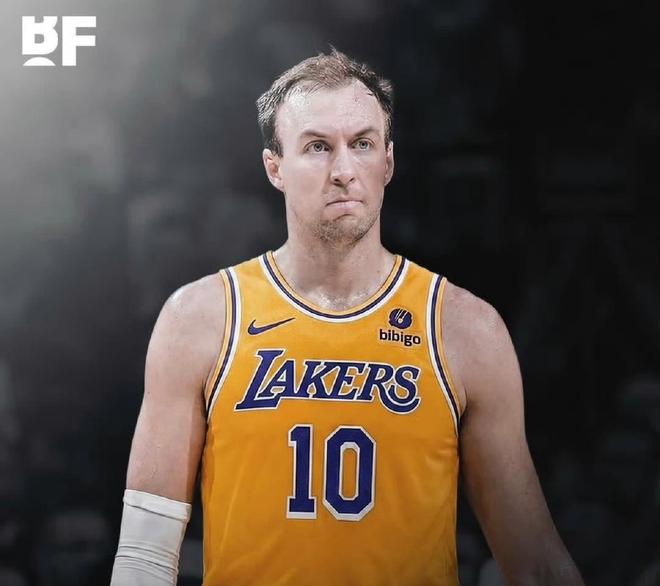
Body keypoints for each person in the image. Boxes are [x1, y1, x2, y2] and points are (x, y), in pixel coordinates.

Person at [110, 49, 584, 586]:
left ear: (388, 162)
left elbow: (536, 566)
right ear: (274, 168)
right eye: (317, 147)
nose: (343, 172)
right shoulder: (201, 318)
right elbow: (144, 559)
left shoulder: (465, 328)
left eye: (362, 144)